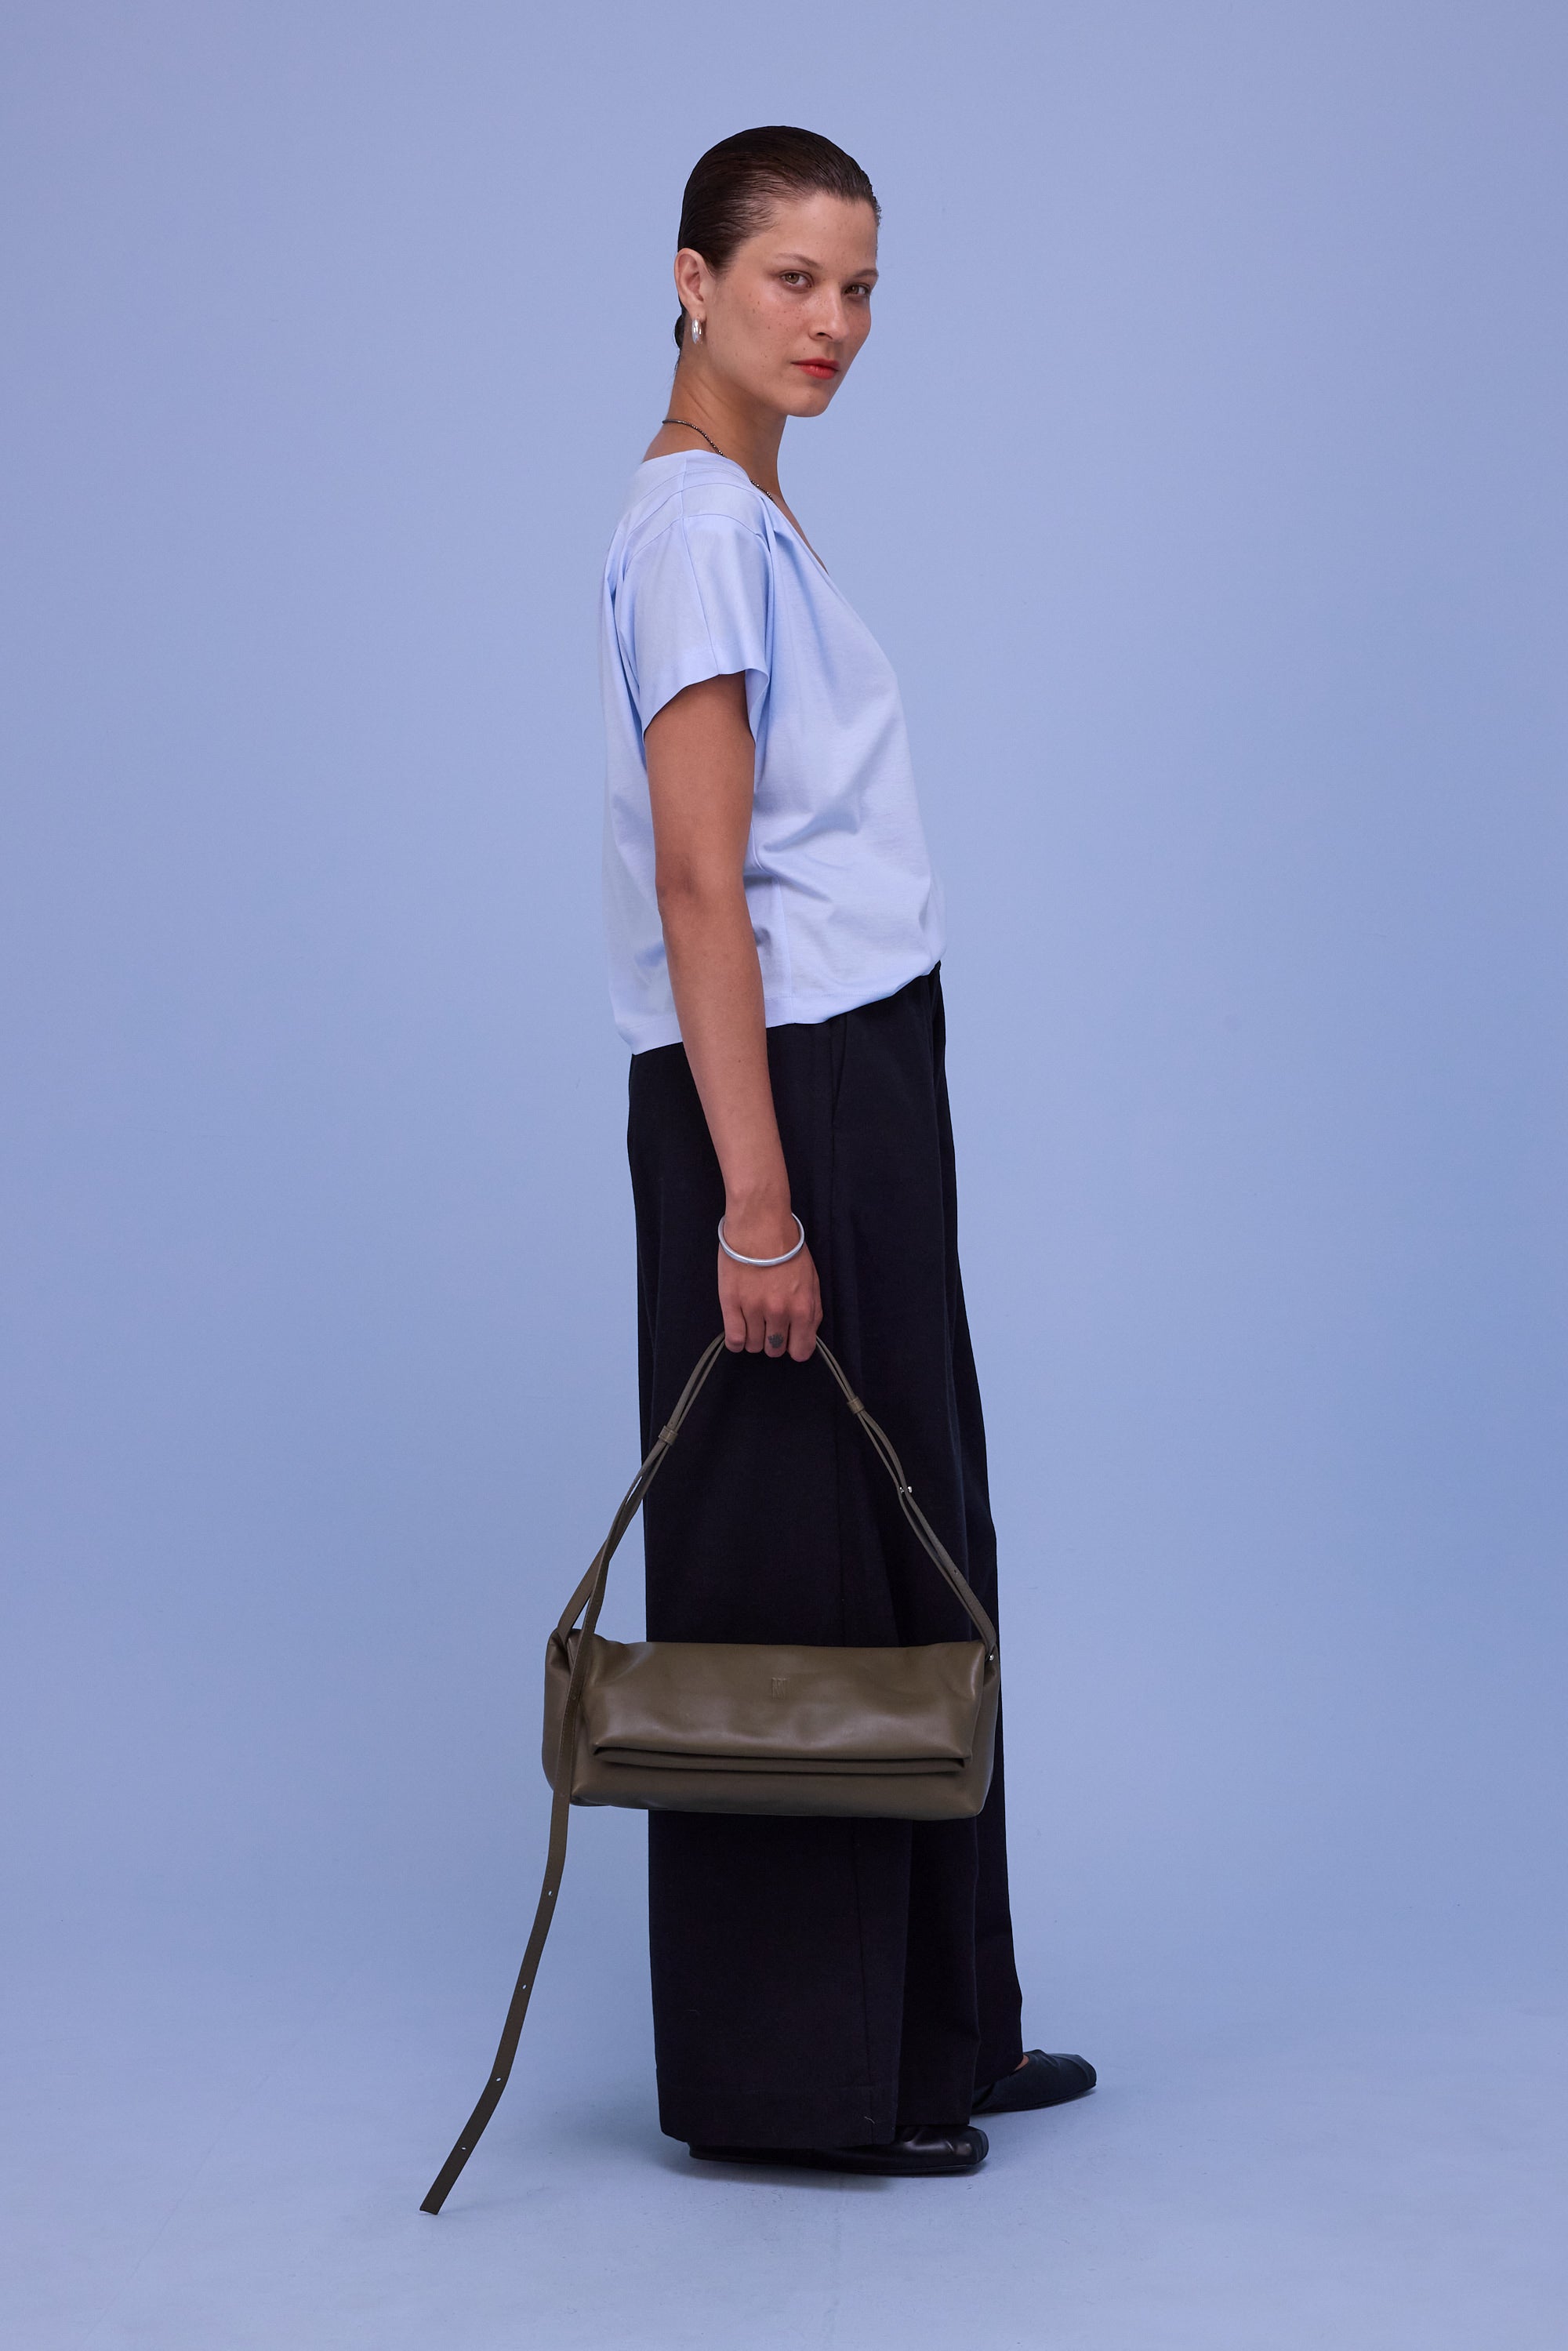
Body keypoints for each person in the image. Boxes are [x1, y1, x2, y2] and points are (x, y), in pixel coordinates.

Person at [599, 125, 1095, 2179]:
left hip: (857, 1066)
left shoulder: (752, 519)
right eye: (792, 278)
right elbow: (702, 885)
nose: (834, 322)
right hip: (779, 1088)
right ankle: (798, 2086)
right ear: (693, 281)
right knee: (797, 1570)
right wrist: (757, 1203)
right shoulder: (693, 531)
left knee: (911, 1543)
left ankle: (935, 2038)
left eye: (861, 285)